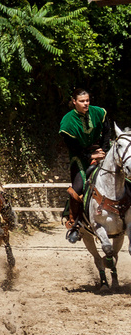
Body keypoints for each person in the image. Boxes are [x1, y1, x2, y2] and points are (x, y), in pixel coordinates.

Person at [58, 88, 111, 243]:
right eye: (82, 101)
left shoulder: (98, 112)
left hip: (100, 151)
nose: (86, 103)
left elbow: (107, 131)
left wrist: (105, 151)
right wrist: (91, 157)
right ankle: (75, 223)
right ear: (74, 101)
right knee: (78, 187)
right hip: (79, 157)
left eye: (87, 100)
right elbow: (73, 148)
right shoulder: (67, 122)